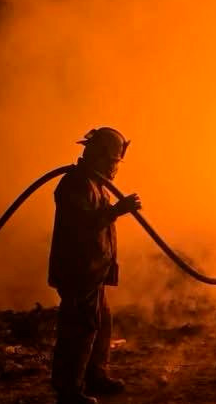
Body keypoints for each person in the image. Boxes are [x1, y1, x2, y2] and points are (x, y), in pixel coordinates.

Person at [48, 127, 141, 404]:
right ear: (99, 156)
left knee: (101, 324)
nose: (115, 168)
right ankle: (69, 391)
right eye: (113, 161)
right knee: (79, 328)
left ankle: (95, 376)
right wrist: (116, 211)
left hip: (94, 270)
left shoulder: (94, 183)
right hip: (78, 271)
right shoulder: (75, 183)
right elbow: (81, 226)